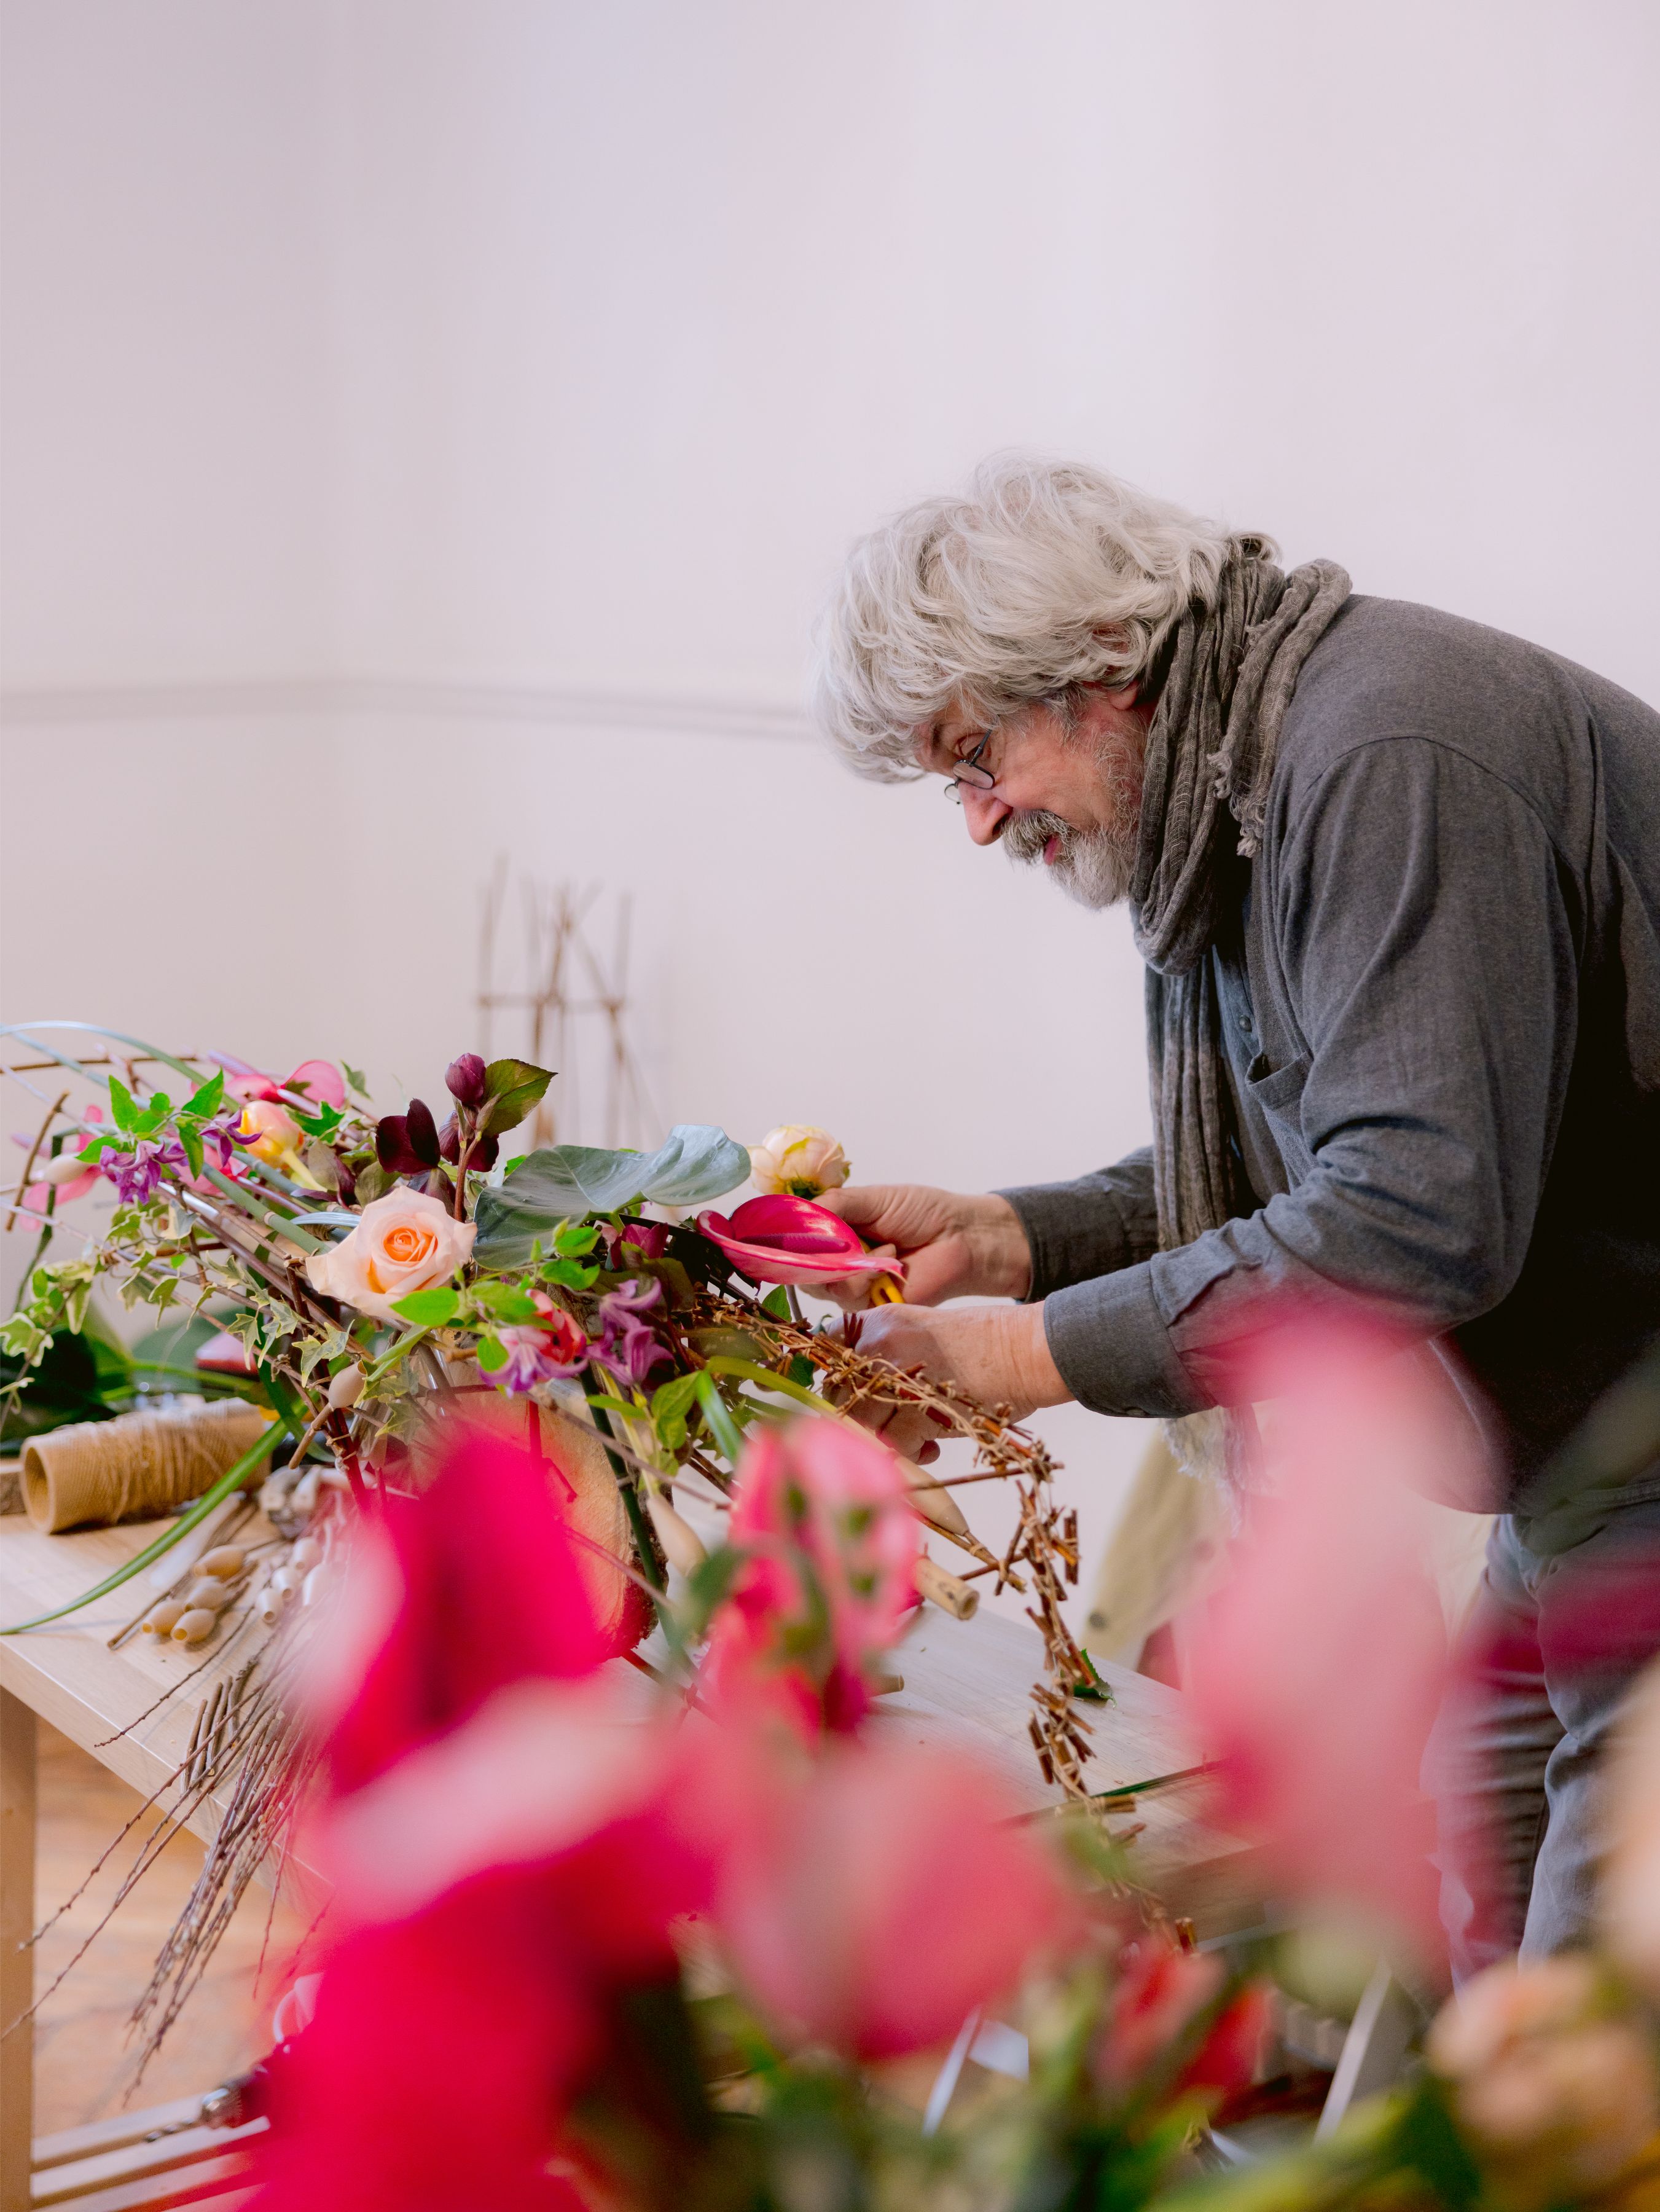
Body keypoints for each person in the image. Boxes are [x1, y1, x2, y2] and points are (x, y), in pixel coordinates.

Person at [808, 455, 1660, 1969]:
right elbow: (1319, 1168)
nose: (979, 822)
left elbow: (1409, 1220)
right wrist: (1009, 1236)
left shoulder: (1385, 754)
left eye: (973, 757)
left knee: (1585, 2035)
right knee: (1484, 1896)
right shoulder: (1240, 782)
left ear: (1097, 672)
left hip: (1633, 1433)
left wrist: (1006, 1359)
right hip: (1586, 1452)